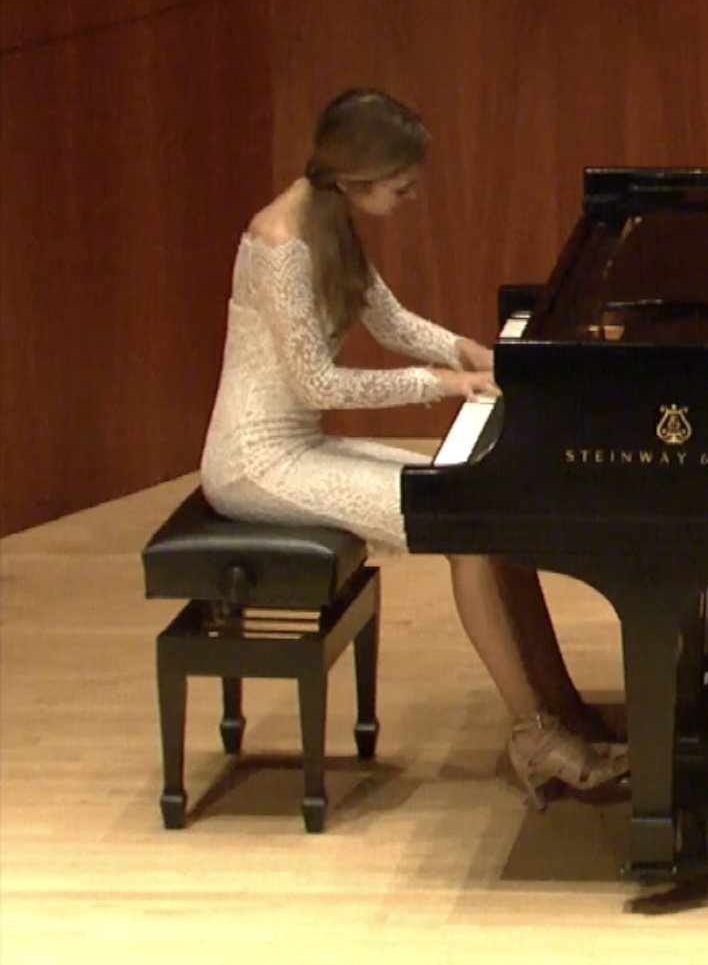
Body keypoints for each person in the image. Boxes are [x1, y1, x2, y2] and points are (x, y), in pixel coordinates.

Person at [199, 87, 625, 807]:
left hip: (297, 446)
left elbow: (391, 320)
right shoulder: (278, 244)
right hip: (253, 461)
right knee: (465, 529)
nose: (411, 193)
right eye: (401, 182)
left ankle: (564, 710)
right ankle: (534, 735)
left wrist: (482, 356)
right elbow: (313, 383)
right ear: (354, 174)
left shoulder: (328, 220)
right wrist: (442, 383)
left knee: (486, 512)